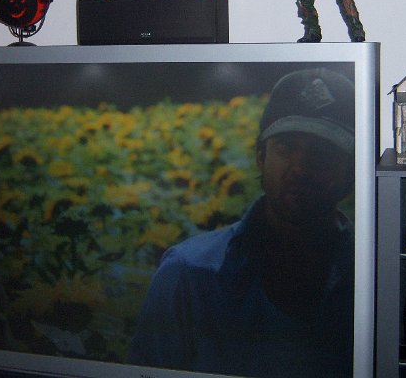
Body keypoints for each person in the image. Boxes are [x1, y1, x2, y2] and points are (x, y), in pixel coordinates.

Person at [128, 68, 356, 378]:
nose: (301, 168)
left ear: (352, 172)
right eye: (286, 148)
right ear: (261, 157)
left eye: (323, 154)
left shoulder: (375, 279)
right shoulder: (189, 275)